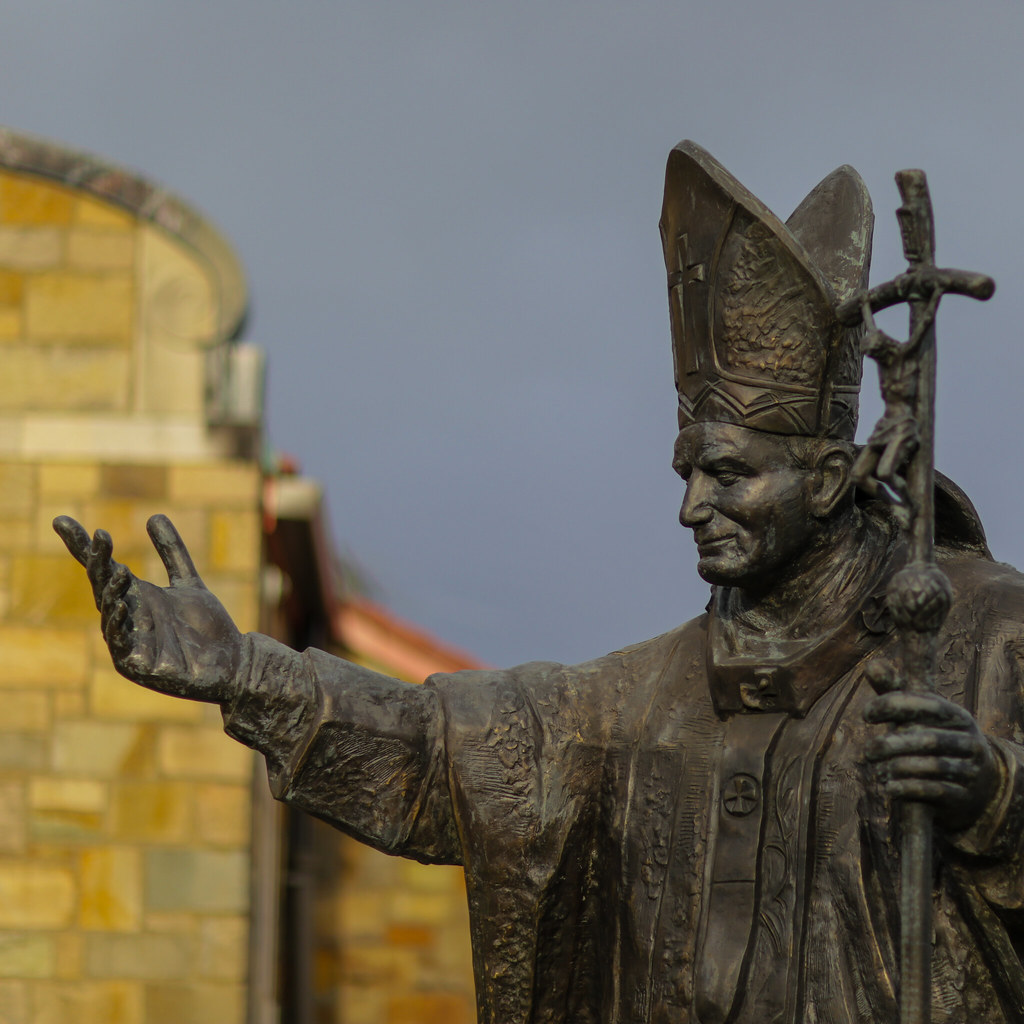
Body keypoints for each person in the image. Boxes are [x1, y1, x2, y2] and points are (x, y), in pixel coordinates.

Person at [56, 142, 1024, 1024]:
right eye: (685, 468)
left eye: (727, 473)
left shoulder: (981, 639)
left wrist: (993, 800)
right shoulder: (634, 705)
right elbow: (432, 751)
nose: (690, 505)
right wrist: (241, 670)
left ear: (822, 480)